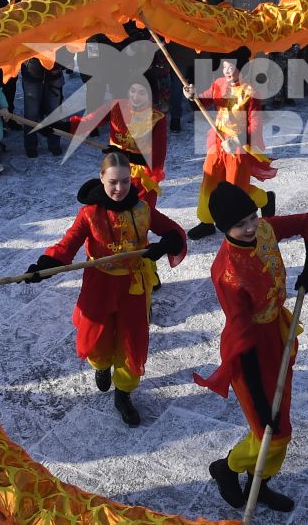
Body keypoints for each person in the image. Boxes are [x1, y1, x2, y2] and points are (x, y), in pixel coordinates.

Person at [192, 182, 308, 513]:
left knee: (279, 426)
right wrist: (256, 395)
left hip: (277, 333)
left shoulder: (264, 230)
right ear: (224, 229)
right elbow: (242, 337)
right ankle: (226, 468)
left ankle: (259, 482)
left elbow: (306, 223)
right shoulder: (228, 272)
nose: (251, 227)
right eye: (241, 225)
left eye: (252, 216)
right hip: (249, 351)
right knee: (272, 429)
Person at [26, 152, 187, 426]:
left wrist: (165, 245)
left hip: (132, 287)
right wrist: (46, 264)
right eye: (113, 182)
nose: (119, 188)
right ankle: (101, 365)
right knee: (97, 338)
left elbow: (172, 230)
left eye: (125, 181)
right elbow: (69, 243)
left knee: (131, 340)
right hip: (99, 284)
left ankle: (123, 393)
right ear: (102, 179)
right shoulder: (90, 213)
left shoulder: (141, 208)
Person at [188, 52, 277, 238]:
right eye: (224, 67)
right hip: (217, 139)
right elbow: (203, 100)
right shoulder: (219, 84)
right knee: (209, 179)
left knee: (236, 187)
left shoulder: (251, 91)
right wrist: (191, 94)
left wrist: (237, 140)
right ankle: (206, 221)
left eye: (231, 67)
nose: (227, 71)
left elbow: (256, 124)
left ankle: (264, 199)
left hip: (238, 144)